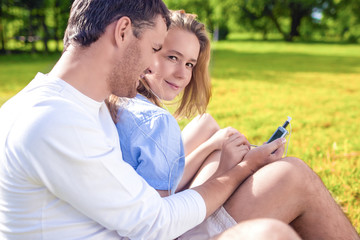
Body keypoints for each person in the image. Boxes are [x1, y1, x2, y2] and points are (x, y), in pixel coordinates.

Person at [0, 1, 302, 239]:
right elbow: (156, 224)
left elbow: (137, 198)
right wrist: (242, 168)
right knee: (287, 188)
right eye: (157, 49)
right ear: (122, 32)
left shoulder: (75, 106)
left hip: (138, 226)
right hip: (153, 231)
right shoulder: (54, 123)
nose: (149, 65)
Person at [108, 10, 360, 239]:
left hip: (143, 219)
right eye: (172, 57)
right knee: (294, 174)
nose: (184, 74)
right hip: (166, 230)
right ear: (147, 50)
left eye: (189, 64)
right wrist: (243, 168)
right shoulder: (155, 123)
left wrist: (214, 148)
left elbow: (159, 183)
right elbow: (160, 221)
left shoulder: (119, 101)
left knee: (207, 126)